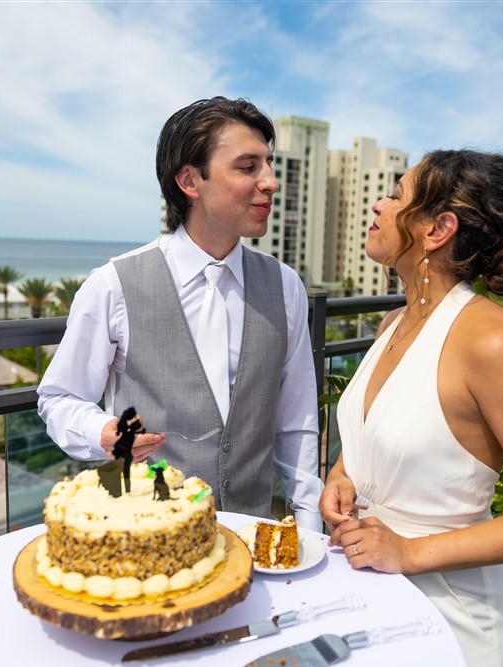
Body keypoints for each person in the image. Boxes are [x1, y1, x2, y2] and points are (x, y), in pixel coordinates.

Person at [319, 149, 503, 666]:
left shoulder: (491, 340)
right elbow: (373, 439)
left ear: (438, 228)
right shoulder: (390, 325)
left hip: (455, 619)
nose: (377, 205)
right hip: (375, 599)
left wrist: (409, 552)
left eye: (396, 195)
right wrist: (342, 476)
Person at [37, 96, 323, 531]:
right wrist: (102, 434)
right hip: (146, 535)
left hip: (250, 539)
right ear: (191, 180)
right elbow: (59, 398)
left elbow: (296, 420)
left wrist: (309, 523)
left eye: (269, 164)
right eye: (248, 167)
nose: (270, 182)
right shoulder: (113, 284)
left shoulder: (285, 285)